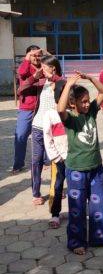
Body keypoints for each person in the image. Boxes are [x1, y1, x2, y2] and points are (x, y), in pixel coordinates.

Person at [57, 71, 103, 255]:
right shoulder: (70, 119)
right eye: (82, 101)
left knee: (101, 203)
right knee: (77, 209)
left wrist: (90, 79)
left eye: (87, 100)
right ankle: (77, 241)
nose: (86, 104)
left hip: (95, 168)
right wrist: (68, 85)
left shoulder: (91, 110)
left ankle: (100, 237)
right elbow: (60, 109)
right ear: (72, 103)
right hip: (76, 170)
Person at [17, 55, 63, 205]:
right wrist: (33, 78)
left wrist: (53, 77)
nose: (41, 69)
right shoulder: (40, 82)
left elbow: (67, 85)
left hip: (55, 128)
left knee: (57, 160)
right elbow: (21, 90)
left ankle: (57, 188)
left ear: (53, 68)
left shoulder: (61, 81)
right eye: (40, 66)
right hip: (38, 127)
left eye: (44, 66)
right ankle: (36, 193)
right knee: (36, 161)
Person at [13, 45, 41, 174]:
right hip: (26, 108)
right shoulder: (25, 67)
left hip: (42, 108)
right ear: (28, 56)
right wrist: (27, 59)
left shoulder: (43, 67)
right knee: (21, 135)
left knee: (43, 135)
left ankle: (44, 161)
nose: (36, 57)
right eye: (33, 55)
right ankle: (18, 164)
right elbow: (21, 73)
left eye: (38, 55)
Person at [43, 80, 68, 229]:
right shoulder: (50, 114)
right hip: (60, 159)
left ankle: (78, 211)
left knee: (76, 187)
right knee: (58, 185)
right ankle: (55, 214)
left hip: (75, 158)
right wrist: (57, 157)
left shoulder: (74, 112)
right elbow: (48, 137)